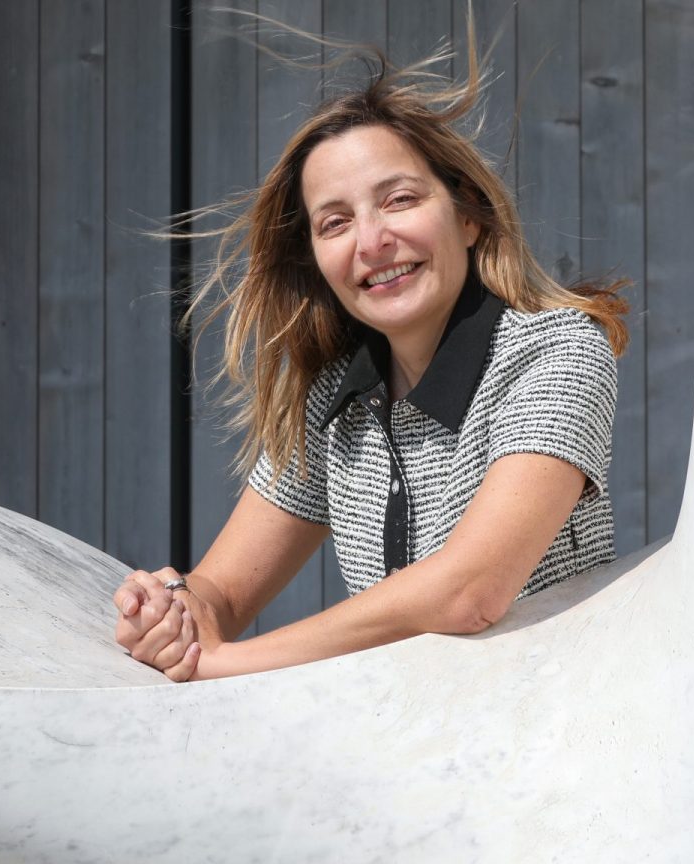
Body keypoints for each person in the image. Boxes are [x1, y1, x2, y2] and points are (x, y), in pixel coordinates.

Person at [114, 38, 628, 682]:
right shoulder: (330, 398)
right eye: (334, 223)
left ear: (467, 215)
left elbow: (471, 592)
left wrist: (227, 664)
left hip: (567, 748)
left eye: (400, 199)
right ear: (317, 261)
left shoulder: (558, 349)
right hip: (404, 753)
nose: (373, 241)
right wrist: (173, 613)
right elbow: (224, 594)